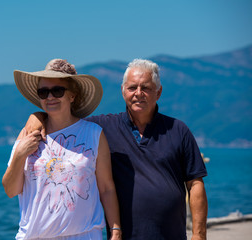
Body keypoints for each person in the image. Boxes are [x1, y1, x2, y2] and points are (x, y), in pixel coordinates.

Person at [24, 59, 208, 240]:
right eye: (132, 88)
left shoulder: (178, 129)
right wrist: (38, 116)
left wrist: (199, 235)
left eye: (145, 88)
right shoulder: (100, 129)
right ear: (122, 91)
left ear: (158, 92)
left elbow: (195, 184)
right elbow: (64, 119)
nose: (138, 93)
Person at [2, 59, 122, 240]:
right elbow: (11, 190)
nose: (50, 97)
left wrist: (116, 231)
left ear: (72, 95)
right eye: (43, 92)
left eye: (57, 91)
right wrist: (19, 155)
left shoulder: (94, 134)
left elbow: (106, 188)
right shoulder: (28, 134)